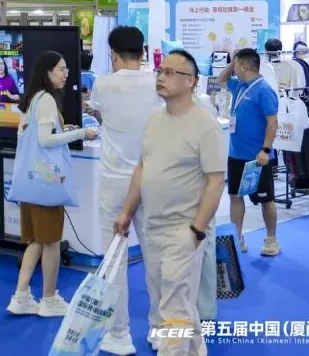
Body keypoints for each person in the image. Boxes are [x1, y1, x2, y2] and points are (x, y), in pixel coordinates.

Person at [114, 50, 226, 356]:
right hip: (152, 227)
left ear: (191, 81)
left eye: (170, 73)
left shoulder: (205, 125)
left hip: (183, 229)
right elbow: (142, 168)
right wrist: (126, 211)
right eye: (160, 71)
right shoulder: (154, 120)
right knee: (170, 300)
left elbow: (216, 182)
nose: (161, 77)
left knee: (175, 306)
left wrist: (196, 230)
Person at [86, 26, 162, 355]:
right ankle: (161, 330)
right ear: (143, 52)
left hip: (115, 180)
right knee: (156, 256)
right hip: (152, 178)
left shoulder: (103, 84)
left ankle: (119, 334)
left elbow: (99, 113)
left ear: (113, 54)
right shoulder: (158, 82)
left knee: (115, 258)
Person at [7, 51, 98, 318]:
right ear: (47, 72)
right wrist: (80, 133)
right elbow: (45, 140)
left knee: (36, 241)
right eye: (61, 68)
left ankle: (21, 296)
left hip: (30, 180)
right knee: (51, 242)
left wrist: (63, 130)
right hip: (46, 180)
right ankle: (48, 298)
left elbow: (35, 136)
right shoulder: (46, 100)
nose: (65, 73)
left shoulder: (32, 99)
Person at [216, 47, 281, 257]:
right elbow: (220, 79)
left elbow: (272, 122)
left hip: (258, 156)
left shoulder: (264, 90)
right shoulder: (239, 85)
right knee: (235, 196)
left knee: (266, 199)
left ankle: (271, 239)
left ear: (244, 67)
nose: (233, 68)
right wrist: (232, 60)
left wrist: (265, 150)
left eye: (236, 65)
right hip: (236, 153)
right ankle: (238, 238)